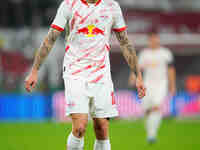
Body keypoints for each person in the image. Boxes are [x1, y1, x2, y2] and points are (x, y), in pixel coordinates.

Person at [25, 0, 146, 149]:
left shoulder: (112, 7)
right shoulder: (69, 5)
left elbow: (125, 43)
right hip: (75, 71)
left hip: (101, 73)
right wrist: (35, 71)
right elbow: (51, 38)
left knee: (102, 128)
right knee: (80, 126)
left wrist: (138, 76)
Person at [129, 31, 176, 144]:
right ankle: (150, 132)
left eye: (155, 38)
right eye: (151, 39)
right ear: (149, 40)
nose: (153, 41)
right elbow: (138, 68)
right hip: (147, 84)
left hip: (161, 84)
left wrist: (172, 85)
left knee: (156, 106)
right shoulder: (145, 54)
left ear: (158, 39)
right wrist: (132, 77)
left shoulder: (165, 53)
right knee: (147, 110)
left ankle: (151, 135)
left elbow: (171, 70)